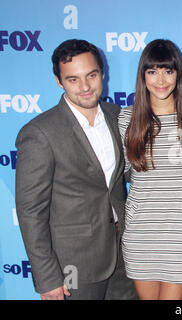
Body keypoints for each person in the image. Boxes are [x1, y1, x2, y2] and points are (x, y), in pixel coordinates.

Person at [15, 39, 137, 300]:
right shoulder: (40, 133)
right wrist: (47, 278)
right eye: (73, 79)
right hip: (74, 266)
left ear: (103, 73)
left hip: (126, 254)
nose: (84, 87)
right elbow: (31, 212)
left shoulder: (119, 116)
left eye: (91, 75)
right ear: (59, 82)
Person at [118, 39, 182, 300]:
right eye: (152, 71)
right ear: (143, 76)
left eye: (168, 71)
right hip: (140, 233)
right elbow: (119, 171)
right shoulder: (127, 118)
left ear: (178, 74)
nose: (161, 79)